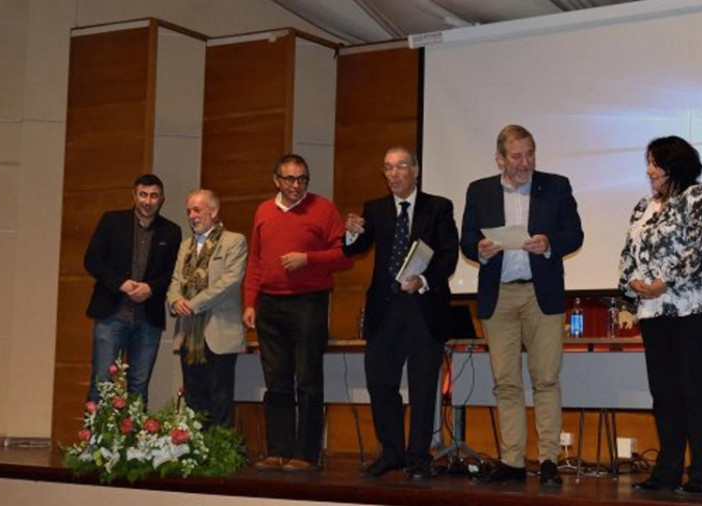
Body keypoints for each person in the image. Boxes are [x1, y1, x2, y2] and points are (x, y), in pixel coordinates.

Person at [460, 125, 584, 487]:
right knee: (506, 382)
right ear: (500, 158)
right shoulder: (479, 190)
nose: (525, 162)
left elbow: (574, 234)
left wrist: (548, 243)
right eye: (516, 156)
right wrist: (478, 250)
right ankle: (512, 461)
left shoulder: (556, 185)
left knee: (546, 379)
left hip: (540, 293)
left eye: (530, 154)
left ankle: (547, 460)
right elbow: (467, 238)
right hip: (498, 295)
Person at [343, 147, 459, 481]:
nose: (394, 174)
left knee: (423, 387)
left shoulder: (437, 207)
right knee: (380, 383)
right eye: (388, 168)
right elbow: (355, 248)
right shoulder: (376, 209)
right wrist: (351, 231)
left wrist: (423, 280)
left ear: (416, 170)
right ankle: (391, 452)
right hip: (385, 311)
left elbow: (448, 255)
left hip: (423, 309)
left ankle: (418, 458)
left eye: (401, 167)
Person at [619, 135, 702, 495]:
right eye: (648, 162)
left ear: (674, 165)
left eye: (655, 163)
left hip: (692, 309)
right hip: (652, 312)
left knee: (696, 391)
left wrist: (664, 282)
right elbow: (627, 255)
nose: (649, 171)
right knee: (664, 394)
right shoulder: (642, 207)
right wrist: (634, 283)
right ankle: (666, 473)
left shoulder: (699, 197)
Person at [243, 154, 353, 473]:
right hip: (269, 304)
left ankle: (306, 454)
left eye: (302, 179)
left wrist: (309, 259)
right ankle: (278, 450)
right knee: (276, 380)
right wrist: (250, 302)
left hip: (308, 302)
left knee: (307, 379)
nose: (296, 185)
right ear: (276, 180)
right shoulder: (264, 210)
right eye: (289, 179)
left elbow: (345, 256)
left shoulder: (323, 208)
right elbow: (256, 261)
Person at [84, 174, 182, 405]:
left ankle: (135, 441)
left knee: (139, 385)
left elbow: (174, 272)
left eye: (154, 196)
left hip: (148, 320)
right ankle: (95, 441)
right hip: (112, 315)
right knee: (102, 382)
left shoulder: (171, 231)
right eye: (143, 195)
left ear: (162, 199)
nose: (148, 201)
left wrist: (152, 287)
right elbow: (92, 260)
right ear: (134, 195)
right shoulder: (111, 221)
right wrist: (121, 283)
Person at [167, 189, 247, 428]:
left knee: (219, 396)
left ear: (213, 211)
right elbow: (175, 281)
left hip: (219, 333)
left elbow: (229, 283)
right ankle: (196, 452)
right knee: (194, 397)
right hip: (189, 335)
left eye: (197, 210)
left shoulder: (234, 241)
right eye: (189, 211)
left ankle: (220, 454)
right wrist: (174, 301)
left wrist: (192, 305)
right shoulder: (185, 246)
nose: (192, 215)